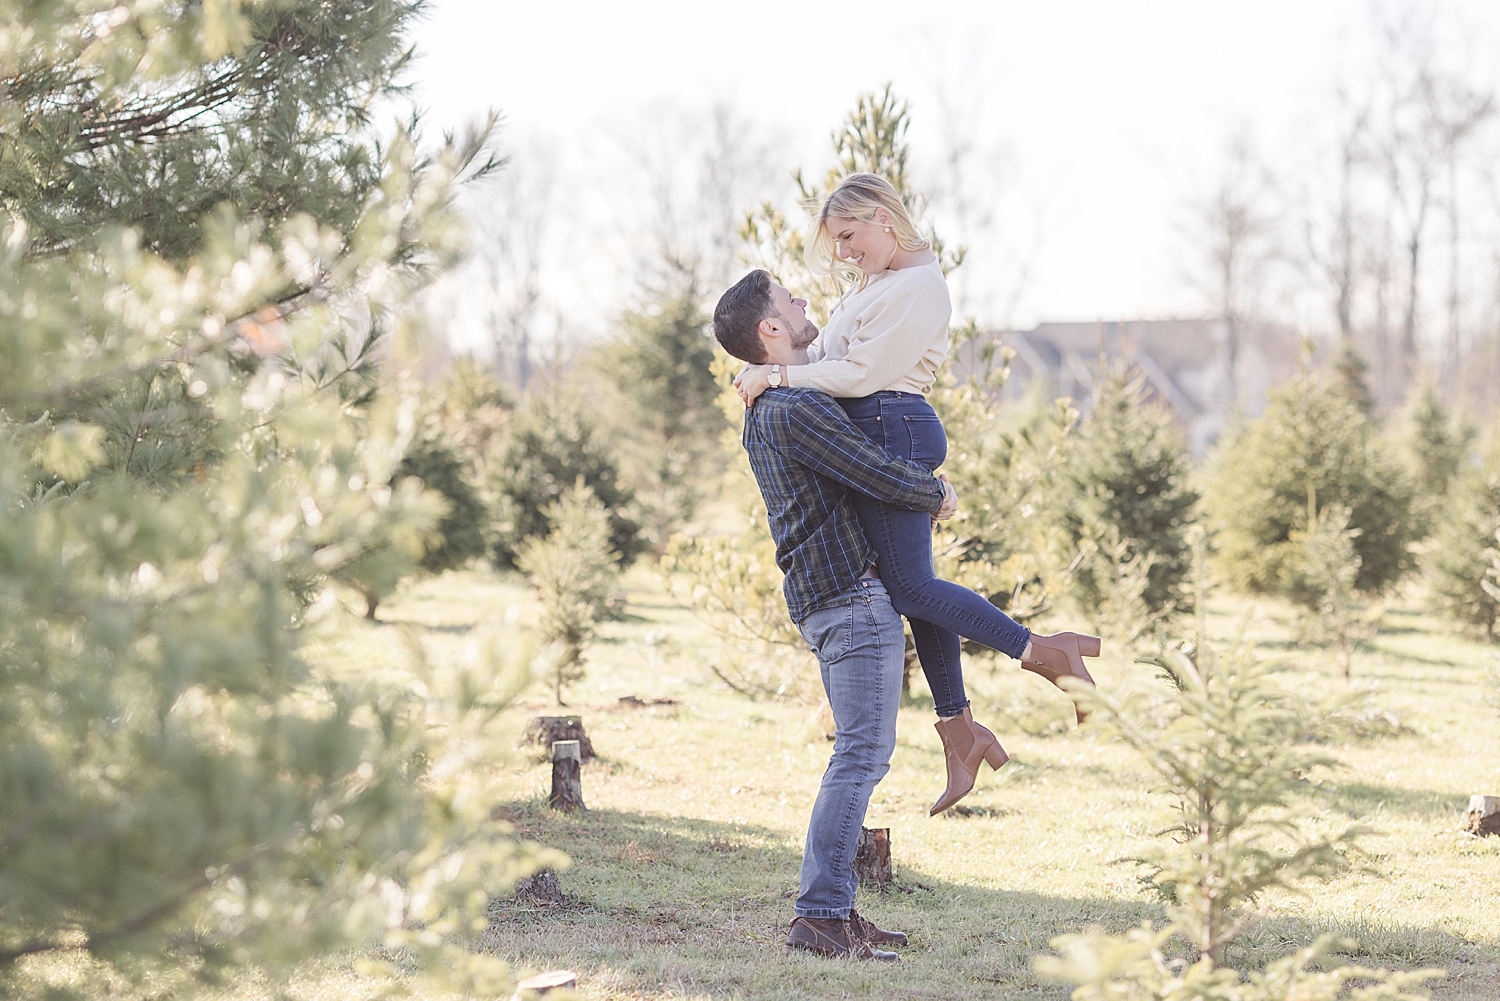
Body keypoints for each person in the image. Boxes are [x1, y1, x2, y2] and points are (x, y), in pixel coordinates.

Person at [732, 175, 1100, 816]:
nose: (846, 253)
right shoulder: (880, 284)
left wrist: (777, 372)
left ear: (881, 217)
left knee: (908, 588)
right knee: (913, 587)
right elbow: (832, 350)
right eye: (838, 244)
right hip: (881, 423)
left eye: (850, 236)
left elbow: (861, 374)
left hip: (891, 422)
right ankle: (959, 730)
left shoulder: (920, 286)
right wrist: (765, 362)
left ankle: (1041, 651)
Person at [712, 269, 959, 960]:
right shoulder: (797, 409)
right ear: (770, 330)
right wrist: (933, 491)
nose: (803, 304)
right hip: (850, 596)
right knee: (859, 756)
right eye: (790, 302)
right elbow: (872, 470)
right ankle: (821, 915)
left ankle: (834, 911)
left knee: (857, 754)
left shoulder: (769, 405)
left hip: (828, 598)